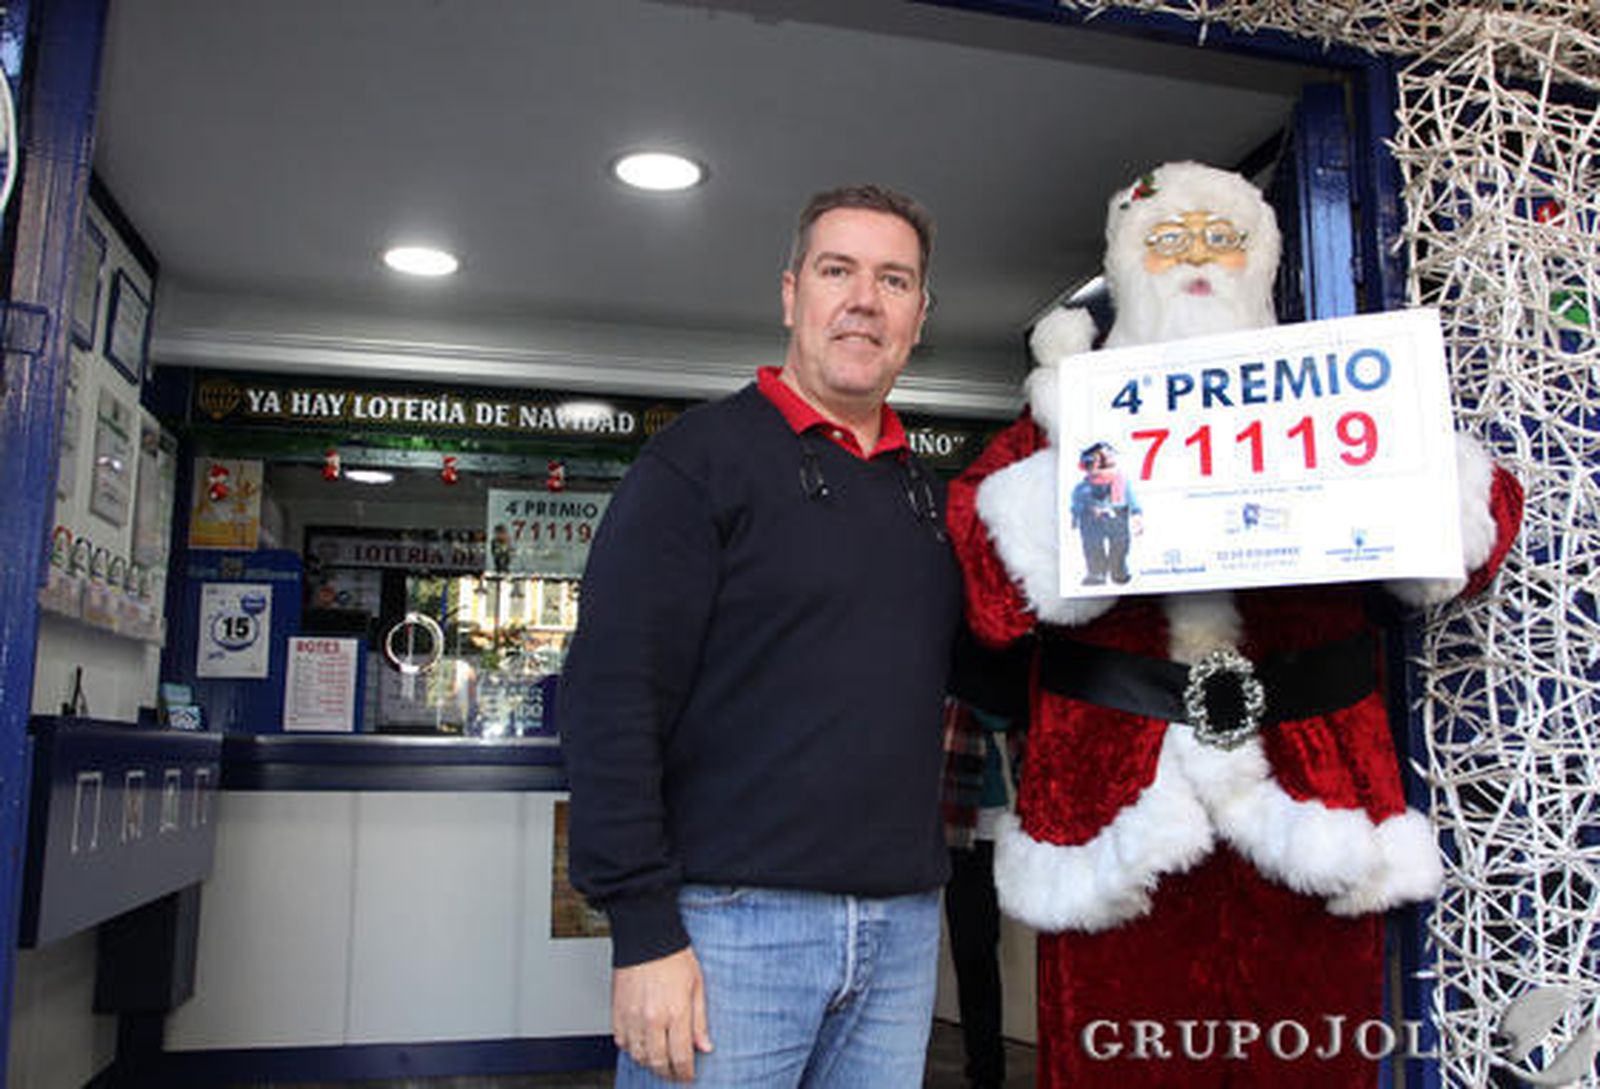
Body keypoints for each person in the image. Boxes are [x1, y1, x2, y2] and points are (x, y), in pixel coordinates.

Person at [946, 161, 1523, 1088]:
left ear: (1264, 263)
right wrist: (1064, 502)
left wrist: (1432, 494)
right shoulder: (1058, 424)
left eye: (1225, 240)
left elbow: (1486, 524)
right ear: (1129, 267)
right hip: (1117, 825)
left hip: (1314, 807)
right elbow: (988, 589)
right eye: (1168, 243)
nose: (1198, 263)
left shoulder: (1342, 401)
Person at [559, 184, 962, 1087]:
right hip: (730, 930)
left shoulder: (931, 501)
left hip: (900, 935)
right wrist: (643, 930)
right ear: (791, 294)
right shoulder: (694, 464)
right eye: (838, 270)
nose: (865, 298)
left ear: (919, 315)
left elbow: (992, 677)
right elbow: (611, 700)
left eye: (893, 280)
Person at [1069, 440, 1140, 585]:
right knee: (1092, 546)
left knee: (1120, 544)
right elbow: (1077, 500)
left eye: (1103, 463)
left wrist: (1136, 513)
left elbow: (1131, 498)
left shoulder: (1121, 482)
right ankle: (1097, 573)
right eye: (1091, 463)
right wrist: (1075, 515)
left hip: (1117, 514)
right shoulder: (1082, 487)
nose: (1097, 467)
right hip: (1090, 518)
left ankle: (1118, 570)